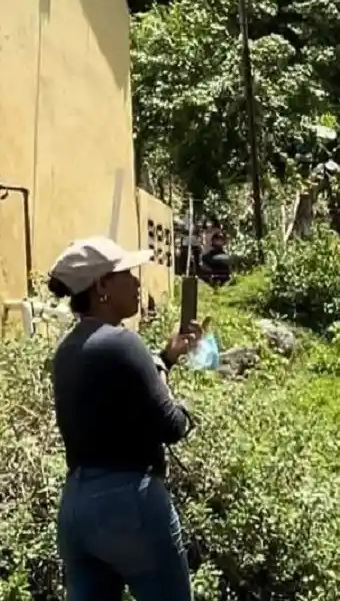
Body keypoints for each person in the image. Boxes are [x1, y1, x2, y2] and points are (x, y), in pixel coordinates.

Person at [47, 236, 201, 601]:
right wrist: (182, 404)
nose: (136, 283)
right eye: (126, 274)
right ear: (102, 285)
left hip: (77, 508)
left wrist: (164, 358)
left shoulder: (66, 351)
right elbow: (172, 424)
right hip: (130, 505)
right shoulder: (122, 342)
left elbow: (118, 403)